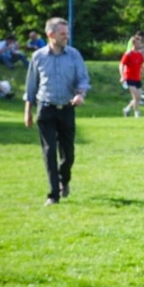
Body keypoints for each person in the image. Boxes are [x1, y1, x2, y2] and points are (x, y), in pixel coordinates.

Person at [23, 17, 91, 206]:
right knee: (49, 151)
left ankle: (64, 180)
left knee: (68, 154)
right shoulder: (38, 57)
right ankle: (53, 194)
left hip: (67, 108)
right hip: (45, 109)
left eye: (67, 33)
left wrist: (80, 94)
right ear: (50, 35)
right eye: (62, 34)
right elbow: (31, 86)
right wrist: (28, 111)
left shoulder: (74, 55)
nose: (66, 37)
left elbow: (83, 78)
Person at [120, 31, 144, 118]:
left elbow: (141, 66)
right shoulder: (128, 54)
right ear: (134, 43)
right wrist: (122, 76)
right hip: (129, 77)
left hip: (137, 78)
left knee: (138, 97)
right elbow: (121, 65)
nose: (140, 44)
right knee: (136, 96)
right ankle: (137, 113)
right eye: (138, 43)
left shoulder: (139, 55)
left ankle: (127, 109)